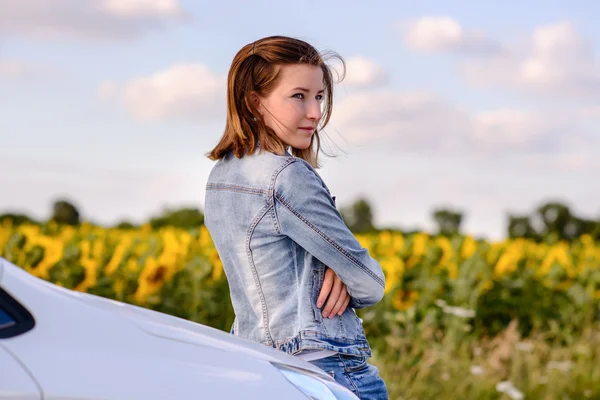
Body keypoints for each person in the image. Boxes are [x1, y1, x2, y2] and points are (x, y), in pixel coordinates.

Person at [204, 35, 388, 399]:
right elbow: (370, 284)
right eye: (298, 96)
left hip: (258, 369)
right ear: (254, 102)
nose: (316, 112)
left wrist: (334, 265)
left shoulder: (220, 178)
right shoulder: (286, 176)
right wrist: (343, 269)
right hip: (325, 374)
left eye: (319, 97)